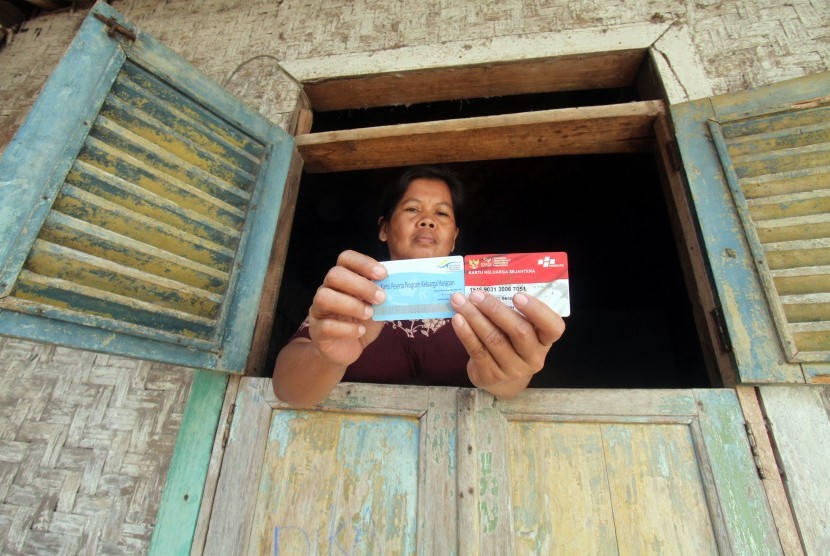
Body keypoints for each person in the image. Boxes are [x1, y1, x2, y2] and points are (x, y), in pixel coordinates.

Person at [272, 165, 565, 407]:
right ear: (384, 229)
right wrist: (324, 358)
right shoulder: (352, 295)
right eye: (412, 209)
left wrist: (510, 376)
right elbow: (289, 392)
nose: (427, 221)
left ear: (453, 238)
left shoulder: (483, 301)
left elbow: (511, 383)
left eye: (441, 213)